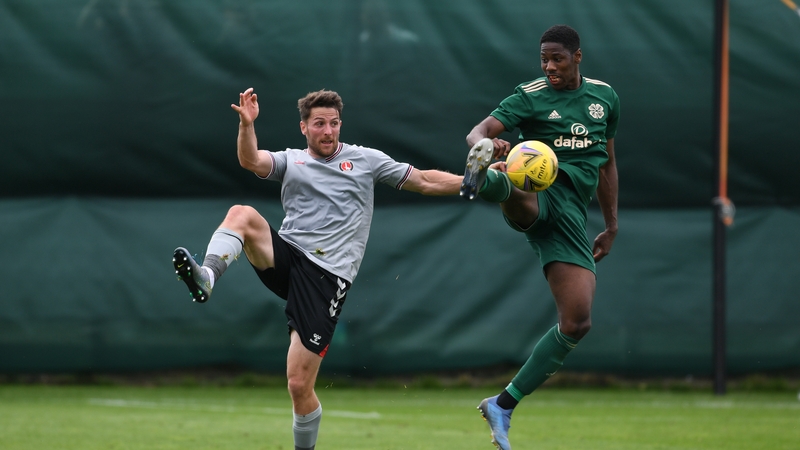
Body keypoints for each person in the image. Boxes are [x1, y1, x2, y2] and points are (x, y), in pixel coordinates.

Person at [172, 88, 462, 450]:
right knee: (241, 214)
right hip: (289, 257)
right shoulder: (292, 161)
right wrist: (247, 125)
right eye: (320, 124)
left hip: (327, 277)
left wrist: (471, 183)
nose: (328, 131)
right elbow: (251, 161)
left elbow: (423, 180)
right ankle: (207, 277)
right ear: (304, 127)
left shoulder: (365, 160)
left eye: (334, 123)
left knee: (298, 385)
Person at [460, 25, 619, 450]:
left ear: (577, 57)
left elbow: (607, 165)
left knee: (578, 320)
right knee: (517, 183)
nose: (549, 66)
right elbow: (480, 130)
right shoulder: (530, 94)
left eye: (558, 59)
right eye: (544, 58)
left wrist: (612, 224)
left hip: (572, 215)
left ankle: (503, 404)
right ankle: (486, 176)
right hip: (539, 191)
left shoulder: (605, 98)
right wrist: (484, 144)